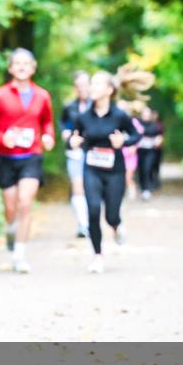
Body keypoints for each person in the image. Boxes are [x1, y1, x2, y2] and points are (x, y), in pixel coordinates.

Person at [0, 48, 55, 273]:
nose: (21, 67)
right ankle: (10, 228)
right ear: (10, 68)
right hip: (6, 158)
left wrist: (49, 136)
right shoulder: (0, 95)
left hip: (32, 156)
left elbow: (47, 122)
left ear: (33, 68)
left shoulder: (42, 96)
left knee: (25, 203)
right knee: (10, 207)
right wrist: (2, 138)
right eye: (17, 63)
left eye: (26, 63)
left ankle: (20, 256)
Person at [69, 72, 144, 273]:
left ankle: (117, 226)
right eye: (91, 83)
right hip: (91, 169)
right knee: (93, 210)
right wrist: (72, 142)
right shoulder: (83, 117)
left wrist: (124, 142)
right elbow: (74, 139)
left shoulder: (119, 115)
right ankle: (97, 256)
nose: (92, 87)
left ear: (109, 90)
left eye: (97, 84)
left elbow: (137, 135)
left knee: (111, 215)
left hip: (115, 171)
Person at [60, 71, 91, 238]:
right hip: (75, 153)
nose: (82, 89)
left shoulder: (97, 105)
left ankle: (90, 220)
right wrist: (66, 133)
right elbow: (63, 124)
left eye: (85, 85)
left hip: (94, 153)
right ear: (75, 87)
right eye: (79, 86)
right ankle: (83, 224)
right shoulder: (69, 107)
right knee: (77, 188)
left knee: (91, 189)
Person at [136, 105, 164, 200]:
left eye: (148, 113)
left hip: (151, 151)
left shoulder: (155, 125)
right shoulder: (137, 123)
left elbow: (159, 135)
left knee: (147, 168)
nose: (146, 115)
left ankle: (147, 189)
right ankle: (143, 188)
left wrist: (158, 140)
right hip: (139, 151)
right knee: (141, 170)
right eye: (144, 113)